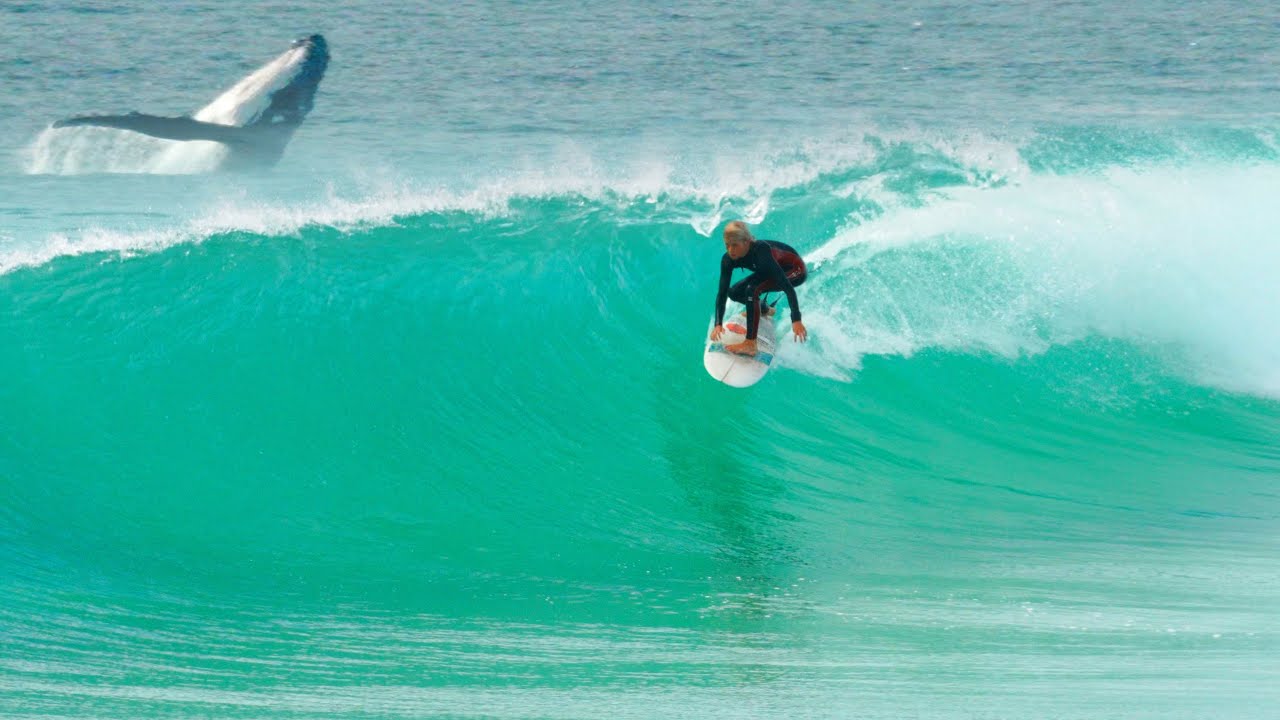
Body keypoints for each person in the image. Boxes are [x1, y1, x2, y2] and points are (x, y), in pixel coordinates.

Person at [710, 221, 808, 356]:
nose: (730, 250)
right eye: (727, 245)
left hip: (794, 270)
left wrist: (796, 319)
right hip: (768, 269)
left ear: (746, 242)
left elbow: (787, 287)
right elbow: (722, 293)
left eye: (735, 245)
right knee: (734, 292)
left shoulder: (761, 251)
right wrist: (718, 323)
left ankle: (750, 344)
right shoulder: (728, 259)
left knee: (752, 289)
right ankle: (766, 310)